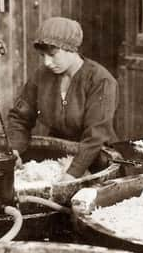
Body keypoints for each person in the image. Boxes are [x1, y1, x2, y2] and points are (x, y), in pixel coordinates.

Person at [7, 17, 118, 182]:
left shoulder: (100, 80)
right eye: (42, 55)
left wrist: (71, 176)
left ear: (71, 49)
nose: (47, 62)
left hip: (95, 159)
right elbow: (20, 117)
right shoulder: (41, 77)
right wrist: (14, 149)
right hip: (58, 158)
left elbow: (96, 135)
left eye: (52, 55)